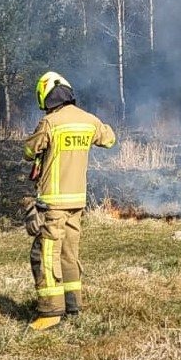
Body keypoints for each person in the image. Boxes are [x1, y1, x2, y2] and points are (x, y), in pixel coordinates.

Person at [22, 71, 116, 331]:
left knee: (45, 256)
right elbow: (109, 139)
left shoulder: (50, 123)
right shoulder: (89, 120)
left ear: (46, 95)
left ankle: (50, 312)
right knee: (69, 254)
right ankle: (73, 305)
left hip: (53, 203)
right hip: (77, 201)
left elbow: (29, 151)